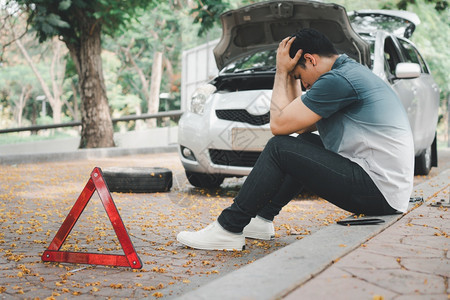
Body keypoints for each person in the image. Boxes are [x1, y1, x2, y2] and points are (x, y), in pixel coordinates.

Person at [177, 28, 414, 251]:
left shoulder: (337, 81)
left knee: (279, 148)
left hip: (379, 190)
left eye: (299, 75)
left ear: (311, 59)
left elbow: (279, 126)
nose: (303, 85)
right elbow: (296, 125)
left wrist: (282, 72)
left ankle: (228, 228)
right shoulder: (347, 73)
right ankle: (261, 219)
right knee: (303, 144)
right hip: (386, 189)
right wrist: (290, 74)